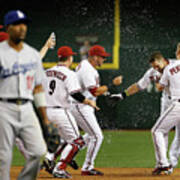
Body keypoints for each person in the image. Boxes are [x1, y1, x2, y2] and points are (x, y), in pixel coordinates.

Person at [0, 10, 51, 180]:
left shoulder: (33, 54)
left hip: (28, 108)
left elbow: (37, 88)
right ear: (8, 28)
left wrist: (45, 118)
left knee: (38, 151)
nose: (22, 28)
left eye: (24, 24)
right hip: (3, 107)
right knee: (3, 157)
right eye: (17, 24)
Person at [43, 45, 99, 178]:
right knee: (77, 142)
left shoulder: (47, 71)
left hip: (47, 111)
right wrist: (88, 101)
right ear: (70, 58)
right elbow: (75, 94)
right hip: (61, 111)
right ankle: (60, 167)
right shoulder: (69, 74)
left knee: (67, 141)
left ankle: (50, 158)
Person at [70, 45, 122, 176]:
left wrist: (107, 94)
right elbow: (94, 91)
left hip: (85, 104)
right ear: (94, 57)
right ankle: (87, 167)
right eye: (102, 57)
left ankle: (66, 155)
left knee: (88, 136)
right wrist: (112, 84)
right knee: (97, 136)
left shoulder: (86, 66)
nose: (104, 59)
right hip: (81, 105)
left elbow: (94, 91)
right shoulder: (87, 69)